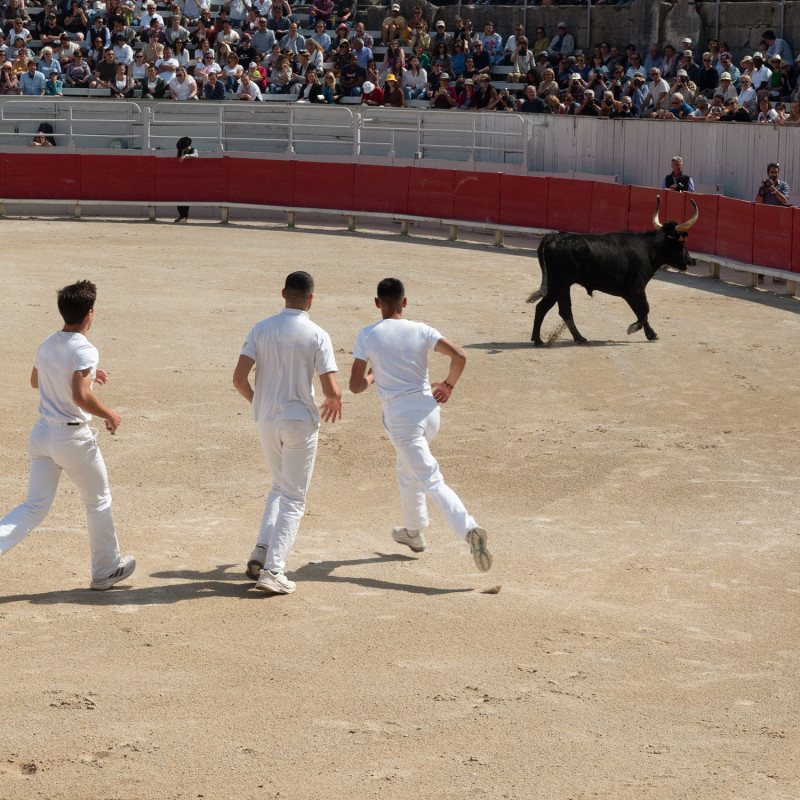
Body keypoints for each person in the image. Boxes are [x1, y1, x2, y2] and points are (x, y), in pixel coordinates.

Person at [348, 278, 491, 573]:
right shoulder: (421, 329)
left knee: (431, 479)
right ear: (404, 302)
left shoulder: (367, 335)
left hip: (402, 421)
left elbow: (355, 387)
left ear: (377, 303)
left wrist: (373, 376)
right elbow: (460, 355)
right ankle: (413, 532)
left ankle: (469, 529)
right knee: (407, 468)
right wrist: (449, 385)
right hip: (430, 412)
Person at [0, 281, 135, 591]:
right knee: (98, 501)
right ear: (90, 314)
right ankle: (104, 571)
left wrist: (85, 374)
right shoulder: (85, 347)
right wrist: (110, 414)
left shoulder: (48, 343)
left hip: (42, 435)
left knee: (33, 507)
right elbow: (80, 395)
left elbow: (36, 381)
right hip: (72, 439)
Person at [233, 271, 342, 595]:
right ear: (311, 298)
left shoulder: (261, 328)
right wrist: (336, 398)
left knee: (279, 487)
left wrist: (260, 403)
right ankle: (274, 570)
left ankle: (261, 551)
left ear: (283, 294)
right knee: (294, 496)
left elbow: (239, 379)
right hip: (299, 421)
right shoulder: (318, 334)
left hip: (267, 419)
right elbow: (330, 388)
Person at [175, 136, 197, 222]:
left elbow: (196, 155)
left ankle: (185, 216)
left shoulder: (193, 150)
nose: (181, 149)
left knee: (185, 197)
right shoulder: (180, 151)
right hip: (180, 177)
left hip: (190, 178)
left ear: (187, 147)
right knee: (178, 197)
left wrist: (186, 156)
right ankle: (181, 216)